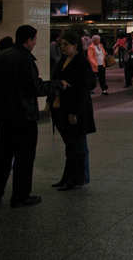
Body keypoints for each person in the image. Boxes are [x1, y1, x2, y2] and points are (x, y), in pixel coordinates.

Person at [0, 25, 61, 208]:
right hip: (24, 117)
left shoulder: (0, 57)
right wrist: (56, 85)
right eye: (34, 39)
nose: (35, 43)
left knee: (1, 158)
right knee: (24, 158)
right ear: (28, 40)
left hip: (4, 116)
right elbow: (35, 88)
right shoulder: (25, 60)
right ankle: (20, 196)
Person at [50, 31, 96, 191]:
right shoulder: (63, 60)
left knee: (77, 146)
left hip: (76, 109)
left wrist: (74, 112)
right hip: (63, 108)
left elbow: (85, 88)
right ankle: (68, 177)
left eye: (65, 45)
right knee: (71, 146)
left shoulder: (81, 62)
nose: (62, 48)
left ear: (74, 46)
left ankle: (77, 178)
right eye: (61, 45)